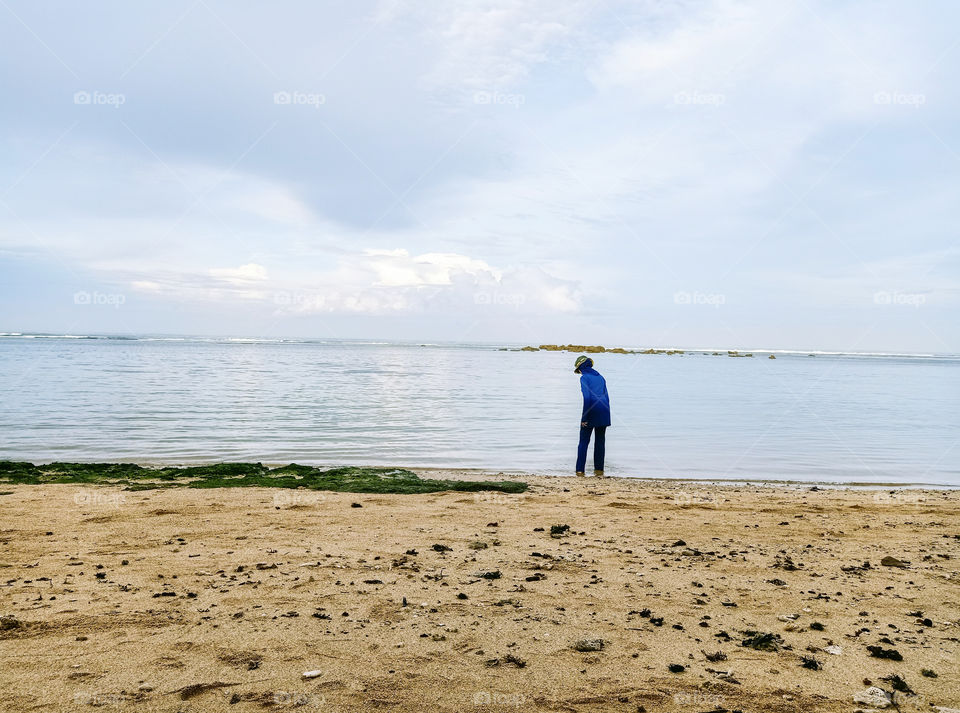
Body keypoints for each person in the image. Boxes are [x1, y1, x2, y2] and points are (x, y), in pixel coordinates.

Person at [573, 355, 611, 476]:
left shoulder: (584, 378)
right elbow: (607, 397)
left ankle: (580, 471)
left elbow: (587, 398)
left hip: (591, 411)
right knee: (600, 442)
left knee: (583, 442)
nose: (579, 373)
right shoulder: (601, 377)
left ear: (581, 368)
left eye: (579, 370)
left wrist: (584, 418)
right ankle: (599, 471)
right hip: (604, 411)